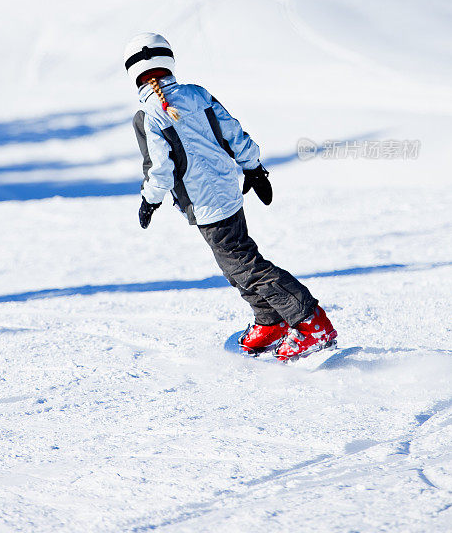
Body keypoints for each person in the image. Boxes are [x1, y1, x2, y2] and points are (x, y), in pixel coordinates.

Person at [124, 32, 337, 361]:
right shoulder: (197, 93)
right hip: (227, 189)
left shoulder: (147, 116)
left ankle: (311, 322)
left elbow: (159, 169)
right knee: (234, 264)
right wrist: (253, 167)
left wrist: (149, 200)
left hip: (204, 203)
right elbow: (233, 132)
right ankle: (270, 320)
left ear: (133, 73)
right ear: (168, 61)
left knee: (246, 266)